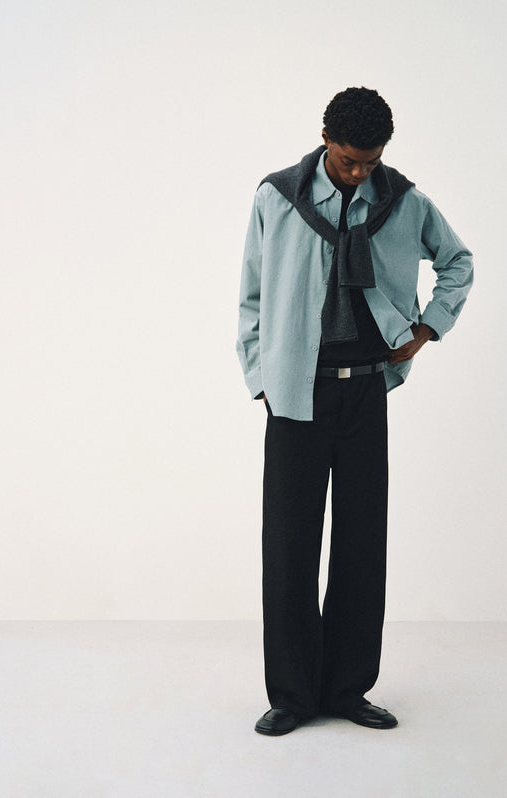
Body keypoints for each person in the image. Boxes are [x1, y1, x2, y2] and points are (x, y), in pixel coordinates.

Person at [235, 87, 473, 736]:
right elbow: (251, 295)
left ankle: (347, 688)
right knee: (289, 545)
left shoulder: (404, 201)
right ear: (325, 140)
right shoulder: (276, 198)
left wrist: (427, 328)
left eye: (371, 161)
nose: (360, 172)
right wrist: (261, 377)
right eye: (348, 160)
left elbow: (457, 262)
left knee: (362, 543)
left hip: (367, 390)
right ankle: (291, 695)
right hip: (295, 393)